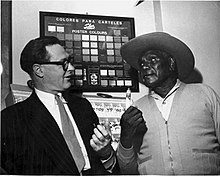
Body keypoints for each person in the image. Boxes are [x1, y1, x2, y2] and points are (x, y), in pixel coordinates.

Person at [1, 36, 119, 175]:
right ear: (39, 70)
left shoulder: (83, 107)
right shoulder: (12, 119)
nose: (71, 68)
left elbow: (105, 166)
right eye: (63, 63)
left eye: (69, 62)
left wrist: (106, 153)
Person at [117, 32, 220, 175]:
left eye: (152, 60)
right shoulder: (135, 110)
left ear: (171, 64)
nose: (145, 67)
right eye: (142, 64)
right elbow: (127, 170)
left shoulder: (205, 95)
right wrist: (125, 137)